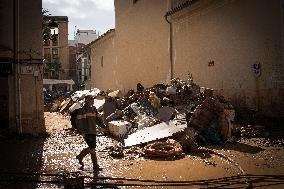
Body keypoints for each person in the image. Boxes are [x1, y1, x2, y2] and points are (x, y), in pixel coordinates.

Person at [75, 95, 104, 171]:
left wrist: (104, 126)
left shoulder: (94, 109)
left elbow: (98, 119)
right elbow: (78, 122)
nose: (92, 100)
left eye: (93, 99)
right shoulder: (82, 110)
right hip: (86, 132)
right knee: (92, 149)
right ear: (87, 100)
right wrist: (82, 132)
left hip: (93, 131)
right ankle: (95, 166)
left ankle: (80, 156)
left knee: (92, 148)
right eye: (91, 99)